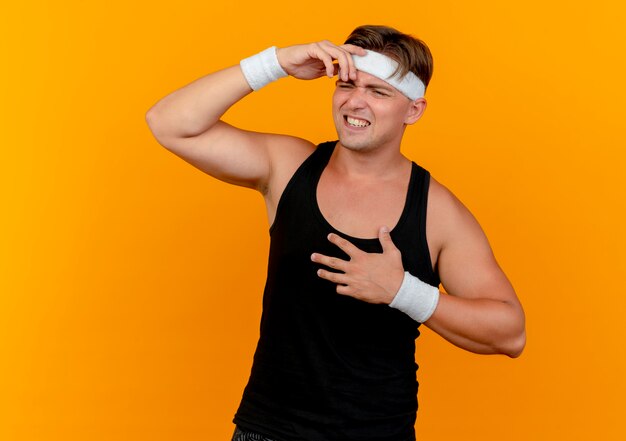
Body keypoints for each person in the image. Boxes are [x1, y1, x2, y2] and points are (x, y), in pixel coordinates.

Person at [145, 24, 526, 441]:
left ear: (413, 110)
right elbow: (169, 123)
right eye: (346, 84)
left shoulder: (436, 212)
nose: (355, 102)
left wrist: (403, 291)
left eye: (378, 92)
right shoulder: (288, 166)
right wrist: (275, 63)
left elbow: (510, 332)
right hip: (268, 430)